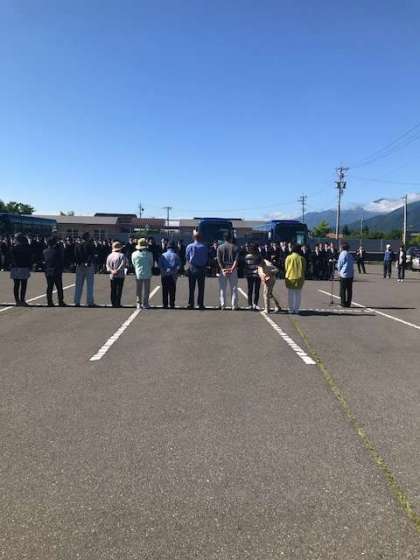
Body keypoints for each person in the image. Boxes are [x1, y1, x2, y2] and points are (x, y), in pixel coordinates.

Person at [186, 231, 208, 309]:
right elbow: (206, 258)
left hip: (192, 267)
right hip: (202, 268)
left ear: (193, 237)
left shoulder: (189, 246)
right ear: (200, 238)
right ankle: (200, 304)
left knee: (191, 287)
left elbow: (187, 257)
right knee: (201, 287)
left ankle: (191, 303)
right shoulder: (204, 247)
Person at [216, 232, 239, 310]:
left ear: (224, 238)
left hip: (223, 268)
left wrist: (223, 269)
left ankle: (223, 304)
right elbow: (236, 260)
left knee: (222, 288)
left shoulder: (220, 247)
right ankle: (234, 305)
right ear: (231, 238)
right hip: (233, 268)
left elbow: (219, 260)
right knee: (234, 287)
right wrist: (232, 269)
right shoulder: (235, 247)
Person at [74, 232, 97, 307]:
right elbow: (91, 254)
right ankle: (90, 302)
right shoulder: (90, 245)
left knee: (78, 285)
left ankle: (77, 301)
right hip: (89, 266)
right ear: (87, 237)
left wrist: (79, 262)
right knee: (90, 285)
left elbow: (75, 255)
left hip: (79, 266)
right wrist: (87, 262)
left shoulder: (77, 245)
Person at [10, 233, 32, 306]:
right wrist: (29, 266)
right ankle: (22, 300)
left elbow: (11, 258)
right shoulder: (27, 247)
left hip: (15, 268)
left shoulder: (13, 248)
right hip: (24, 267)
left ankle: (17, 301)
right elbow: (29, 258)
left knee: (16, 285)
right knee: (23, 285)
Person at [43, 237, 66, 307]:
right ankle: (60, 301)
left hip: (48, 270)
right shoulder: (57, 251)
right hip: (56, 270)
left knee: (49, 287)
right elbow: (61, 260)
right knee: (59, 287)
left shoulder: (44, 251)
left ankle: (49, 301)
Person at [131, 238, 153, 309]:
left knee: (138, 289)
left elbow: (133, 263)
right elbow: (151, 263)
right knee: (146, 290)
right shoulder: (149, 254)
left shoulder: (134, 254)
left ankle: (138, 303)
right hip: (147, 273)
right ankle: (145, 303)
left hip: (138, 273)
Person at [159, 241, 181, 308]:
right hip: (173, 275)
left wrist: (164, 272)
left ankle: (165, 304)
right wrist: (174, 271)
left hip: (164, 275)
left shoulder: (163, 255)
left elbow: (160, 265)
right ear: (174, 247)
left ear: (167, 247)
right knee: (172, 290)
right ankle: (172, 304)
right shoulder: (176, 255)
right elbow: (178, 266)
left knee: (164, 290)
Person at [284, 244, 306, 314]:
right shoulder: (302, 258)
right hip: (299, 277)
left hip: (290, 277)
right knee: (298, 294)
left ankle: (291, 309)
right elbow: (304, 268)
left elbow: (286, 267)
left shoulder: (288, 257)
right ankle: (296, 309)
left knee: (290, 294)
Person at [106, 241, 128, 307]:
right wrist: (117, 270)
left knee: (113, 289)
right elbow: (123, 264)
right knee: (119, 289)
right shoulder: (122, 255)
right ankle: (117, 303)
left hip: (112, 275)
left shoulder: (110, 255)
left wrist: (112, 271)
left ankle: (113, 303)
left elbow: (107, 265)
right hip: (120, 275)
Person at [244, 243, 262, 310]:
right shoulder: (259, 256)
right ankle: (254, 304)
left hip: (251, 275)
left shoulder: (247, 256)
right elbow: (261, 264)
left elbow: (246, 266)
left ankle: (251, 304)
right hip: (256, 275)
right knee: (256, 290)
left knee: (250, 290)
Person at [337, 242, 354, 307]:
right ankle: (348, 303)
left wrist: (339, 270)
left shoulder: (342, 254)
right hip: (350, 274)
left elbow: (340, 264)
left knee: (343, 289)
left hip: (344, 274)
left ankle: (343, 303)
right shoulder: (350, 254)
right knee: (349, 290)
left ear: (342, 247)